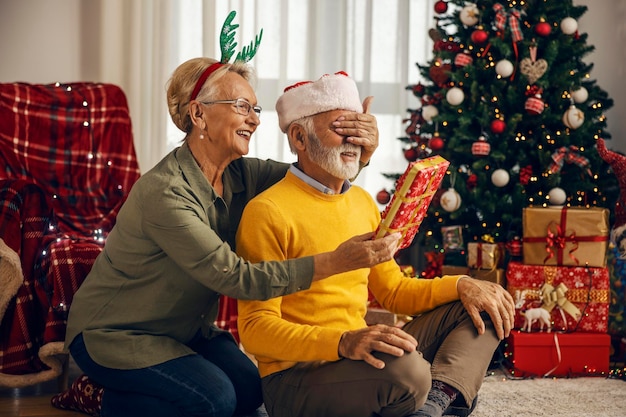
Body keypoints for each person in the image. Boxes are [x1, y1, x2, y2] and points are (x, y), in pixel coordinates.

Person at [49, 56, 401, 417]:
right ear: (199, 115)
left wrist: (358, 153)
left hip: (186, 330)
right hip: (118, 334)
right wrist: (336, 262)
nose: (255, 119)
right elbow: (235, 277)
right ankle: (97, 395)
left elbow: (318, 172)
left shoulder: (242, 174)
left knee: (252, 394)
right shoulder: (165, 192)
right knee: (214, 402)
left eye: (256, 108)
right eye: (241, 106)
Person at [236, 72, 517, 417]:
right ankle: (438, 396)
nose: (355, 141)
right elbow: (255, 330)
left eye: (361, 129)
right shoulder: (267, 211)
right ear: (299, 137)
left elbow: (394, 291)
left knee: (485, 303)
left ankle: (434, 402)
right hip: (296, 378)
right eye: (343, 128)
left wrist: (463, 284)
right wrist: (343, 342)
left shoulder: (362, 202)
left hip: (359, 355)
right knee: (410, 373)